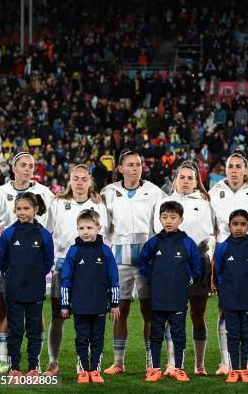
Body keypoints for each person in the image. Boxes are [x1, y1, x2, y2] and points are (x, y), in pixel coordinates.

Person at [0, 152, 55, 375]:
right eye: (23, 165)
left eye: (31, 165)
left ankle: (35, 364)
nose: (28, 169)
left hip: (33, 263)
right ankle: (3, 361)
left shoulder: (44, 192)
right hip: (7, 259)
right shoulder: (1, 193)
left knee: (36, 316)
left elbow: (53, 223)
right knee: (5, 309)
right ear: (14, 168)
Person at [100, 149, 166, 375]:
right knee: (120, 309)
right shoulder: (108, 192)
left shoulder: (154, 192)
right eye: (130, 164)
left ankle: (151, 362)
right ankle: (118, 362)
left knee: (150, 311)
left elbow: (163, 224)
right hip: (119, 257)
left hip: (147, 257)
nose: (135, 168)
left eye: (138, 164)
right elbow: (101, 224)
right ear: (120, 168)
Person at [45, 165, 109, 376]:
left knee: (89, 316)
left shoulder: (98, 205)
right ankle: (53, 363)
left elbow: (105, 236)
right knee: (58, 316)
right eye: (76, 178)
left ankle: (87, 366)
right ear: (69, 180)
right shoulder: (58, 202)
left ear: (90, 181)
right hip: (63, 263)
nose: (80, 182)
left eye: (84, 179)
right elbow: (48, 232)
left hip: (90, 265)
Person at [152, 161, 215, 376]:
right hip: (170, 267)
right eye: (182, 177)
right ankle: (172, 364)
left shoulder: (206, 203)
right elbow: (156, 231)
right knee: (171, 316)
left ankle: (199, 365)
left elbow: (211, 233)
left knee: (198, 315)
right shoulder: (163, 202)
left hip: (198, 265)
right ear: (175, 179)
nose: (186, 181)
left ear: (197, 181)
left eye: (190, 178)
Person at [208, 153, 248, 375]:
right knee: (225, 310)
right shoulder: (214, 193)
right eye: (230, 166)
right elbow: (211, 226)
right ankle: (227, 362)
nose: (234, 170)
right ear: (225, 169)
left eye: (238, 166)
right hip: (225, 253)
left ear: (245, 170)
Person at [139, 200, 202, 383]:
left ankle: (179, 368)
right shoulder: (153, 243)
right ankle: (155, 369)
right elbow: (143, 263)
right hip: (157, 297)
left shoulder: (187, 243)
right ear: (159, 218)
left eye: (173, 217)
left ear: (181, 220)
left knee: (179, 334)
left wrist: (187, 280)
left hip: (178, 297)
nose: (168, 220)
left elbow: (196, 268)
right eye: (165, 217)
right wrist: (152, 278)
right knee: (156, 333)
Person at [0, 192, 54, 377]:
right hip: (13, 290)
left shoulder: (44, 234)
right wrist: (12, 275)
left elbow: (48, 261)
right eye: (19, 208)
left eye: (26, 208)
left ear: (36, 210)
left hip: (35, 290)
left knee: (34, 330)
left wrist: (35, 276)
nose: (22, 212)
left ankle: (33, 368)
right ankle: (15, 368)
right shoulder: (9, 233)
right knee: (15, 330)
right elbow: (2, 259)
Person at [60, 209, 120, 384]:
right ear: (77, 229)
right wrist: (65, 305)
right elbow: (66, 279)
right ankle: (83, 371)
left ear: (98, 228)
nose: (85, 232)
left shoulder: (105, 251)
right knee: (81, 338)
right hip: (79, 305)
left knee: (97, 338)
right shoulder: (73, 251)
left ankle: (95, 370)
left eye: (89, 227)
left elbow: (113, 278)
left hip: (100, 305)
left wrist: (115, 303)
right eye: (81, 228)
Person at [213, 209, 248, 384]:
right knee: (233, 335)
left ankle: (246, 369)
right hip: (230, 301)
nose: (239, 228)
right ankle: (234, 370)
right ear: (229, 226)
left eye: (243, 224)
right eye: (235, 224)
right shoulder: (223, 248)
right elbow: (218, 273)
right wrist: (226, 293)